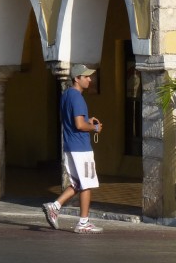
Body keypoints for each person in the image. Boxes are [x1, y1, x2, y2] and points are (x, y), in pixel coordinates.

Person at [41, 63, 103, 234]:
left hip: (69, 145)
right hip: (81, 147)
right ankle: (83, 223)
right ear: (77, 78)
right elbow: (79, 124)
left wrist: (87, 121)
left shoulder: (66, 95)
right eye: (86, 77)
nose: (90, 79)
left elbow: (73, 120)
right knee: (87, 184)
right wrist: (94, 128)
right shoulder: (77, 97)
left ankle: (55, 206)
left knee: (77, 183)